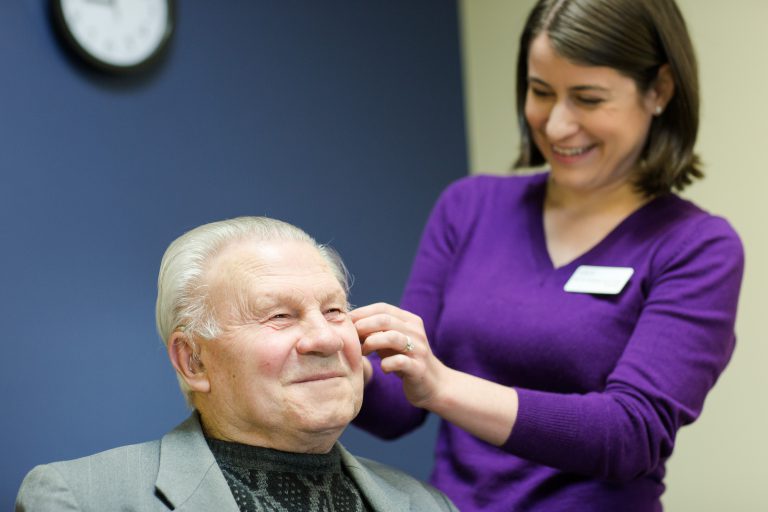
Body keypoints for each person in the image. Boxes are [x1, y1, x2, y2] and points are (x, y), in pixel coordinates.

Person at [351, 0, 744, 510]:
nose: (557, 126)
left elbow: (629, 434)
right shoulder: (469, 207)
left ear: (660, 91)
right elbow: (397, 408)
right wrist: (336, 358)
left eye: (588, 98)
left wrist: (442, 385)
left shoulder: (696, 247)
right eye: (540, 92)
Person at [16, 217, 458, 512]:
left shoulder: (426, 503)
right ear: (194, 361)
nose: (324, 338)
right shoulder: (82, 498)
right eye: (280, 316)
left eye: (335, 311)